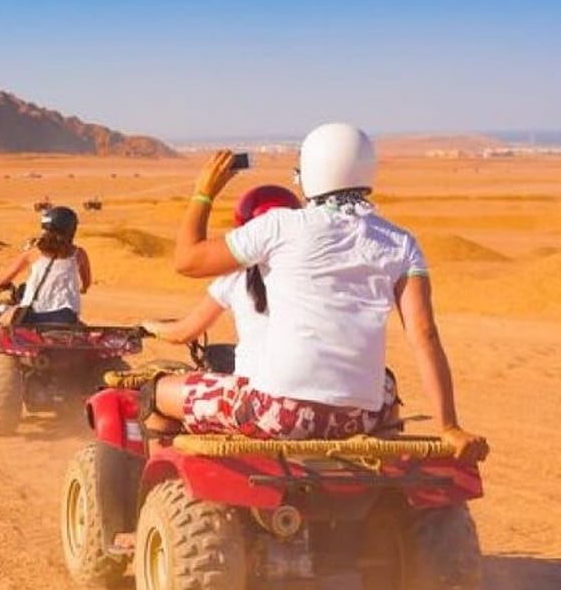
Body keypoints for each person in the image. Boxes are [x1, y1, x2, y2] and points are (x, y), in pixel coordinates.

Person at [138, 123, 488, 463]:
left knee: (155, 394)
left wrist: (204, 192)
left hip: (276, 413)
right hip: (361, 418)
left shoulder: (279, 226)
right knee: (386, 385)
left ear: (310, 174)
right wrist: (449, 426)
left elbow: (187, 260)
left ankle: (160, 492)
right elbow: (424, 334)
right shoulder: (401, 242)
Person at [141, 185, 302, 379]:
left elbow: (183, 333)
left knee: (156, 388)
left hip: (253, 389)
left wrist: (149, 326)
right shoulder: (317, 273)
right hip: (318, 386)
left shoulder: (235, 276)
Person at [0, 206, 91, 324]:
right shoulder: (78, 254)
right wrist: (84, 288)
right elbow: (86, 280)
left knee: (0, 318)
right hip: (65, 316)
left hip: (31, 315)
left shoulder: (34, 252)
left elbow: (6, 278)